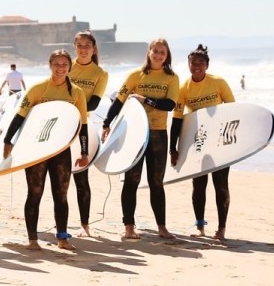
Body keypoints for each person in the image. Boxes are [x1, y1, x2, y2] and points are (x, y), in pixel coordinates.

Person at [2, 49, 89, 250]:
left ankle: (62, 239)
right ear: (50, 65)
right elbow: (20, 116)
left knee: (61, 195)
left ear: (70, 67)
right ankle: (32, 239)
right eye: (56, 64)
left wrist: (84, 152)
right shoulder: (37, 89)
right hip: (37, 150)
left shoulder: (76, 92)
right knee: (35, 192)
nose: (60, 68)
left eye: (64, 64)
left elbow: (82, 125)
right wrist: (8, 140)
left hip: (61, 151)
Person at [102, 38, 179, 240]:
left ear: (167, 55)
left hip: (158, 134)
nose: (158, 55)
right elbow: (119, 101)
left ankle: (162, 227)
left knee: (156, 182)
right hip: (134, 135)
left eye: (162, 52)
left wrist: (145, 99)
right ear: (149, 52)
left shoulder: (171, 77)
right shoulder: (136, 75)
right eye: (155, 51)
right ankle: (129, 226)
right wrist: (107, 123)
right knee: (132, 180)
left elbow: (169, 105)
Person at [170, 44, 235, 241]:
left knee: (220, 184)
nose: (196, 66)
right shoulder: (183, 89)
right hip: (198, 141)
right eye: (193, 63)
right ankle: (200, 226)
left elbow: (233, 112)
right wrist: (174, 147)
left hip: (220, 142)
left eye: (200, 63)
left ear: (207, 65)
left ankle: (221, 228)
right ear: (188, 65)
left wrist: (233, 142)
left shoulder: (219, 82)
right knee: (198, 185)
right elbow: (177, 119)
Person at [67, 31, 109, 237]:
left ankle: (85, 226)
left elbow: (94, 103)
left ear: (94, 48)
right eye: (80, 45)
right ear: (75, 47)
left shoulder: (100, 73)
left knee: (81, 179)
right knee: (59, 180)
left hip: (83, 127)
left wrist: (72, 106)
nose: (83, 49)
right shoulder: (65, 66)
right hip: (61, 125)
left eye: (87, 45)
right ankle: (61, 226)